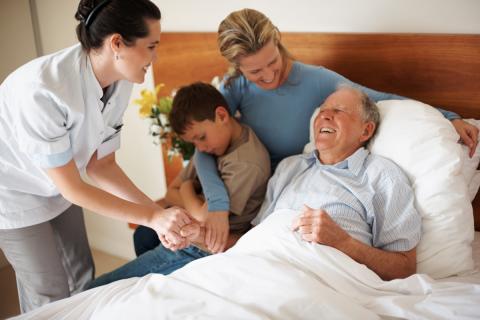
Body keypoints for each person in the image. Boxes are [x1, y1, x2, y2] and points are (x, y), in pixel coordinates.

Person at [188, 8, 479, 254]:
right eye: (254, 72)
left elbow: (380, 97)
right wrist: (216, 205)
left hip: (271, 202)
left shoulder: (315, 80)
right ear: (237, 68)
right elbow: (201, 150)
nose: (268, 76)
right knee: (149, 236)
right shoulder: (233, 87)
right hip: (241, 197)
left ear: (278, 42)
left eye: (272, 62)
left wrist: (448, 117)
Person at [0, 0, 193, 312]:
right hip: (13, 191)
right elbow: (74, 188)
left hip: (62, 182)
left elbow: (101, 166)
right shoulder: (42, 90)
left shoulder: (119, 80)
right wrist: (153, 217)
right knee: (49, 291)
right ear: (117, 43)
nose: (155, 57)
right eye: (151, 46)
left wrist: (157, 217)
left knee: (82, 277)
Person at [88, 82, 270, 288]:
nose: (200, 148)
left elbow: (201, 214)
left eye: (201, 138)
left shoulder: (245, 163)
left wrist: (186, 188)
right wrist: (187, 194)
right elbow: (170, 192)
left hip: (202, 244)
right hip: (187, 229)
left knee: (94, 289)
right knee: (143, 234)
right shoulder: (212, 144)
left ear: (221, 115)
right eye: (194, 143)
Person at [254, 86, 421, 280]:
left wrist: (343, 243)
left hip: (317, 280)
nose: (325, 116)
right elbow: (258, 235)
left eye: (339, 110)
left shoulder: (383, 176)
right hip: (259, 268)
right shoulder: (289, 167)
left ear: (366, 130)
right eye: (322, 110)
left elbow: (404, 268)